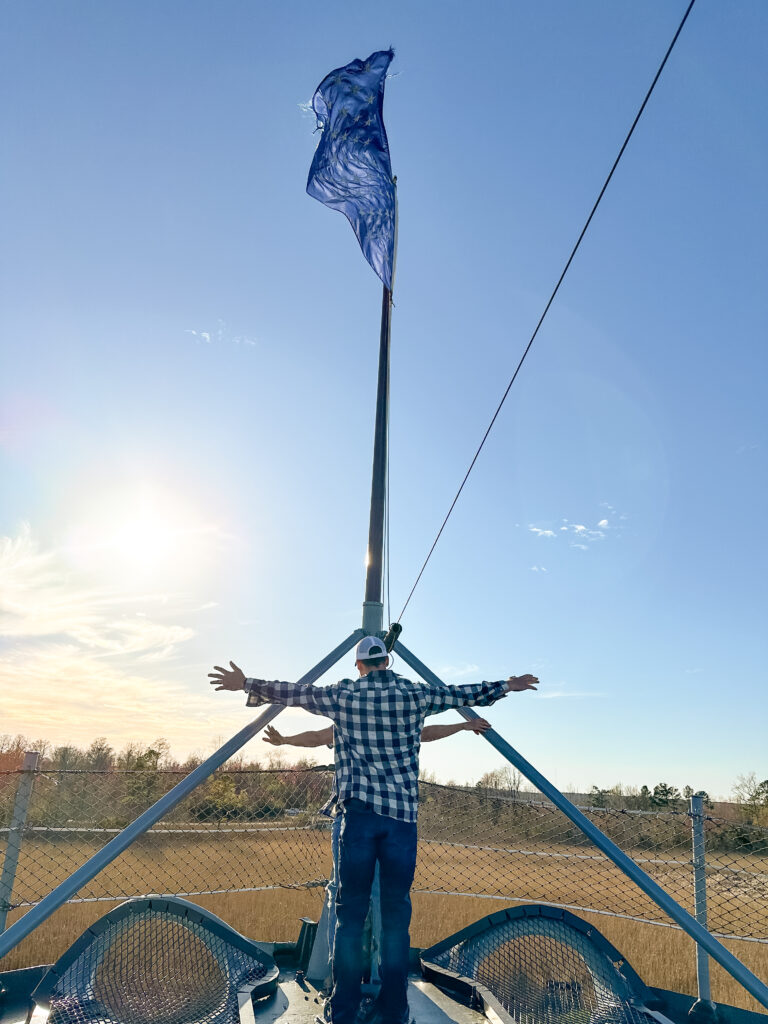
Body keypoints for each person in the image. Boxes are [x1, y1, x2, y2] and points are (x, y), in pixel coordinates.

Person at [209, 636, 538, 1024]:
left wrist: (247, 684)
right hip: (401, 822)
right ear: (388, 660)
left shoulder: (343, 696)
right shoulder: (415, 695)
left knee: (350, 918)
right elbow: (461, 693)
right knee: (396, 918)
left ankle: (343, 1010)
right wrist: (506, 686)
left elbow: (296, 693)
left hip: (358, 820)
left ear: (358, 664)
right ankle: (395, 1010)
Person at [261, 716, 493, 975]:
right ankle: (341, 973)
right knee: (345, 891)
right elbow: (318, 737)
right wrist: (285, 740)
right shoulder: (351, 721)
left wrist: (462, 725)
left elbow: (425, 732)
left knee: (375, 892)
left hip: (383, 819)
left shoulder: (389, 721)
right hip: (357, 817)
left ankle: (376, 973)